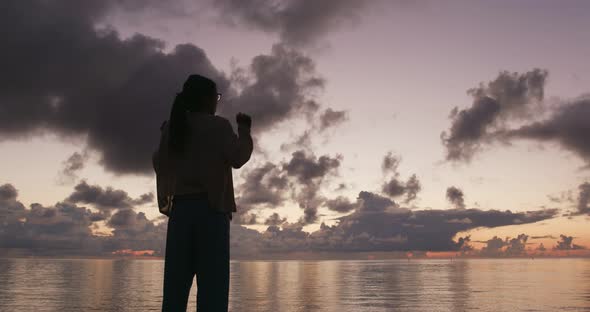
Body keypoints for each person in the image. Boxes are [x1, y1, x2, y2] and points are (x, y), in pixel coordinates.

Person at [155, 74, 253, 311]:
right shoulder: (218, 126)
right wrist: (244, 130)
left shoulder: (173, 127)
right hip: (212, 212)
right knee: (213, 293)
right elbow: (238, 157)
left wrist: (164, 136)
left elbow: (160, 164)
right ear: (207, 99)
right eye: (216, 96)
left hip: (180, 214)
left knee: (175, 291)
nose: (216, 101)